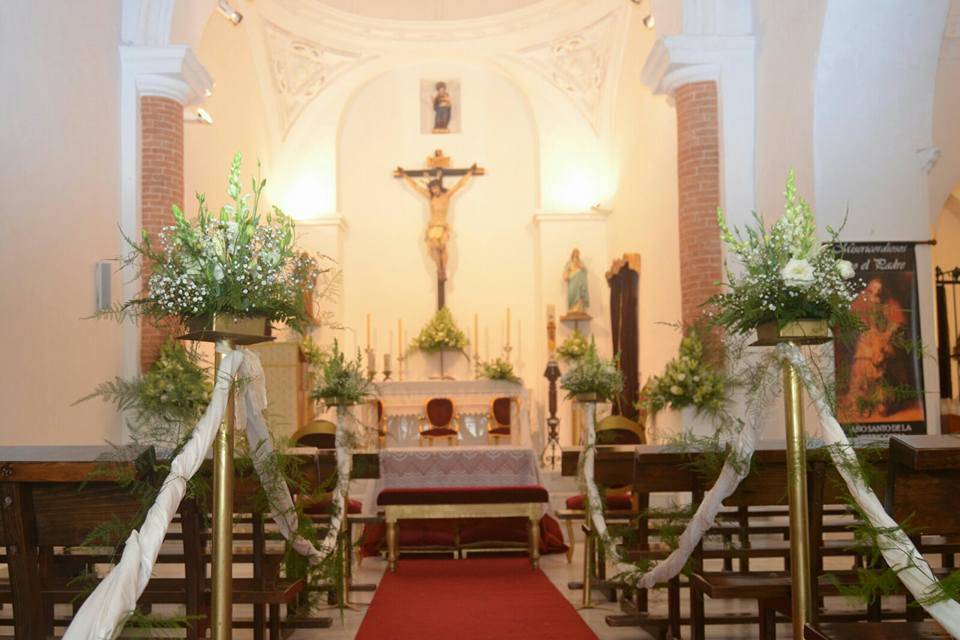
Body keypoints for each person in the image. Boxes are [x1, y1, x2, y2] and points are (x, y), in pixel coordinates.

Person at [397, 164, 478, 283]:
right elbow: (415, 186)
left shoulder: (447, 196)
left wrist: (470, 172)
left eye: (435, 188)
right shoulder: (430, 198)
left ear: (439, 187)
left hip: (443, 227)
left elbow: (459, 185)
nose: (434, 190)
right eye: (432, 189)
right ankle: (439, 269)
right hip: (433, 227)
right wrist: (405, 175)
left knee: (443, 247)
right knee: (435, 247)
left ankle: (443, 270)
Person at [563, 248, 589, 315]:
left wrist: (579, 266)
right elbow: (566, 271)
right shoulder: (569, 263)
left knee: (579, 295)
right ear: (572, 254)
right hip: (572, 281)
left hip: (579, 283)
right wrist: (566, 276)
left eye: (577, 254)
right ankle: (572, 309)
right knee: (572, 293)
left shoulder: (581, 262)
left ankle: (579, 309)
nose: (576, 255)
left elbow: (585, 271)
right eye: (575, 253)